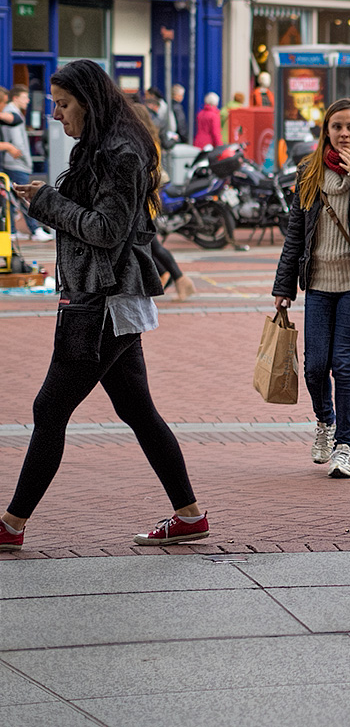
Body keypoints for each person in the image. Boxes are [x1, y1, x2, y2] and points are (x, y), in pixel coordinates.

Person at [0, 59, 211, 552]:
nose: (55, 114)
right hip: (103, 298)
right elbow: (92, 218)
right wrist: (46, 198)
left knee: (49, 407)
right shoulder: (102, 148)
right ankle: (190, 515)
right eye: (54, 103)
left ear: (89, 103)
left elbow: (105, 230)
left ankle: (10, 524)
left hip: (102, 301)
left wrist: (49, 203)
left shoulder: (121, 154)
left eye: (63, 104)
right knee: (137, 409)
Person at [272, 97, 350, 479]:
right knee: (314, 367)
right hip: (319, 286)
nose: (344, 133)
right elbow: (296, 235)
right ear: (326, 130)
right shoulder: (308, 172)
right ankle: (324, 422)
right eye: (337, 126)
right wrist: (284, 286)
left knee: (344, 364)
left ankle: (344, 445)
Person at [132, 102, 196, 302]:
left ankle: (180, 278)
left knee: (153, 245)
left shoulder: (143, 143)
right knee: (150, 245)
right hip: (147, 200)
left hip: (145, 202)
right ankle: (166, 275)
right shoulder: (150, 140)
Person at [2, 84, 52, 242]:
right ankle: (35, 229)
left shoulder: (13, 113)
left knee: (12, 197)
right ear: (15, 98)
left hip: (14, 162)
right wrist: (23, 158)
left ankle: (13, 231)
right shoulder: (11, 112)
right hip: (16, 163)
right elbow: (16, 134)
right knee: (24, 195)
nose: (28, 101)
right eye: (25, 97)